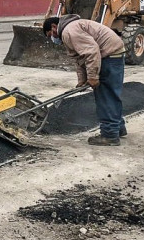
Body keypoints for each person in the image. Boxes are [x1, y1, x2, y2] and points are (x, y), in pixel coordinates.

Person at [43, 15, 126, 146]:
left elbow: (91, 52)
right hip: (113, 55)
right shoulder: (73, 27)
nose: (52, 38)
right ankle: (118, 128)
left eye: (50, 35)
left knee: (105, 96)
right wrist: (82, 80)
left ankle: (110, 135)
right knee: (111, 95)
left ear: (54, 26)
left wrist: (93, 77)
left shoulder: (69, 31)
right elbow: (79, 58)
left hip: (108, 57)